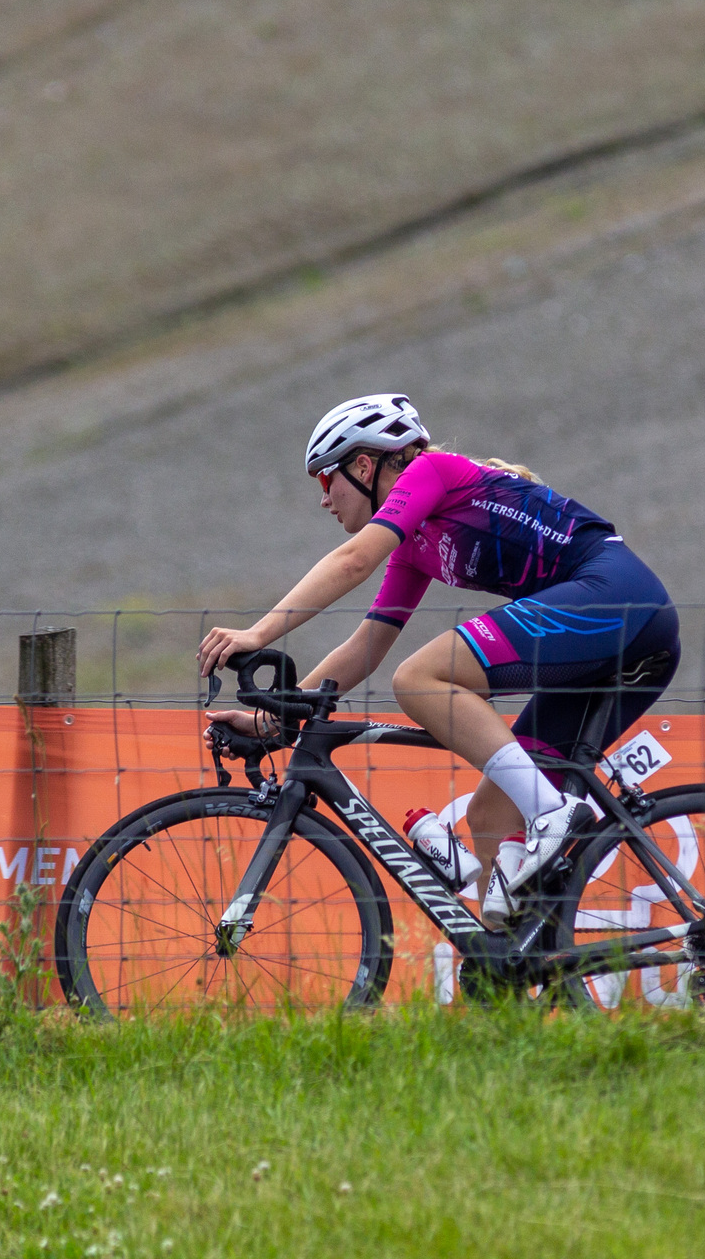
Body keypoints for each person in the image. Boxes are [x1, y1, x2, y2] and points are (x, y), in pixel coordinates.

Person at [199, 392, 680, 921]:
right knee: (490, 813)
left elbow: (353, 562)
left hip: (616, 596)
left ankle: (553, 813)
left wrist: (258, 633)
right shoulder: (415, 545)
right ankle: (520, 966)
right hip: (621, 635)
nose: (324, 499)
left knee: (422, 677)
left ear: (364, 465)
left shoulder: (434, 471)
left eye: (324, 479)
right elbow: (366, 646)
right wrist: (274, 719)